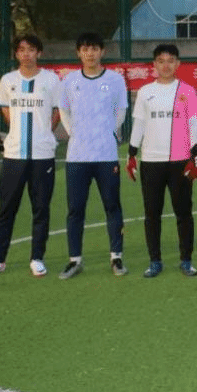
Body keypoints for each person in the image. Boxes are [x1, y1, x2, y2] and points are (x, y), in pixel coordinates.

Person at [0, 35, 61, 278]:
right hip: (13, 154)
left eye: (31, 49)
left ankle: (37, 258)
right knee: (6, 208)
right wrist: (16, 130)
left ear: (39, 53)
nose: (26, 54)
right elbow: (5, 109)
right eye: (22, 50)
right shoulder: (8, 80)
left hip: (42, 154)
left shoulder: (51, 80)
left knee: (41, 208)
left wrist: (44, 131)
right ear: (16, 54)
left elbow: (57, 111)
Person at [127, 44, 197, 278]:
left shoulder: (188, 91)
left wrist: (195, 157)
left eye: (170, 60)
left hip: (181, 161)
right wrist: (131, 154)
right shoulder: (145, 92)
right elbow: (139, 124)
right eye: (161, 61)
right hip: (151, 162)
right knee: (152, 214)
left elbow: (193, 125)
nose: (166, 65)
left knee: (184, 212)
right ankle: (155, 261)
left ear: (178, 63)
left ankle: (186, 260)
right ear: (154, 65)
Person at [58, 32, 129, 279]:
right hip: (77, 156)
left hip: (106, 155)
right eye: (85, 49)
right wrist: (74, 133)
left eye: (95, 49)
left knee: (112, 206)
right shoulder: (69, 81)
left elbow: (121, 111)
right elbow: (64, 110)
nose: (90, 54)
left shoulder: (115, 80)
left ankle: (116, 257)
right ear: (79, 53)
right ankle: (75, 260)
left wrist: (107, 131)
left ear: (102, 52)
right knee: (75, 209)